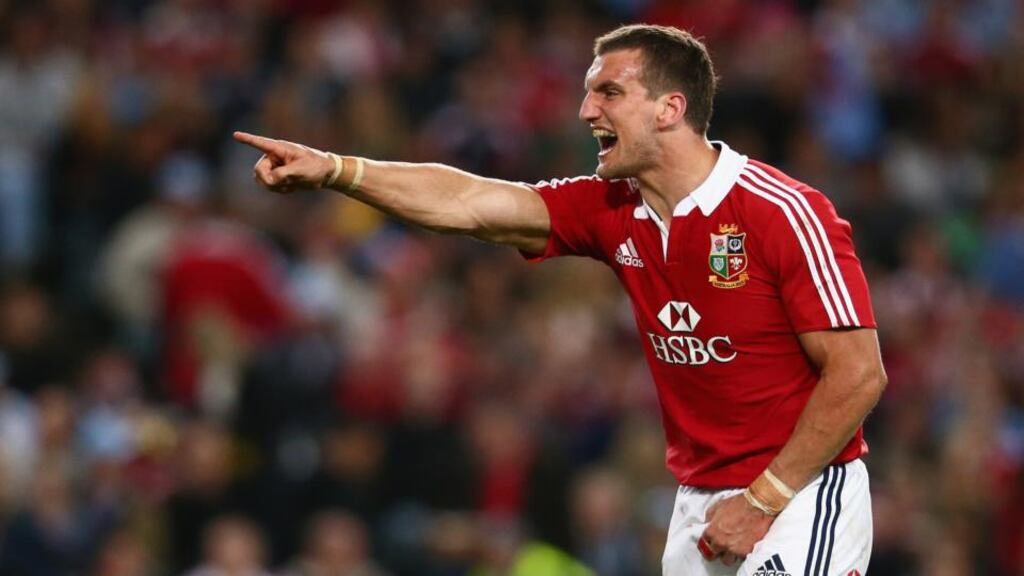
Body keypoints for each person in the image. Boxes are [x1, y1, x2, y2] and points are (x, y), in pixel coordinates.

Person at [234, 23, 886, 576]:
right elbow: (469, 202)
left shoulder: (783, 212)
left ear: (669, 108)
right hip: (700, 502)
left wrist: (763, 499)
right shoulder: (611, 208)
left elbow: (858, 374)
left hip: (801, 492)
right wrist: (339, 170)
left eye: (609, 92)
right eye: (587, 93)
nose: (586, 111)